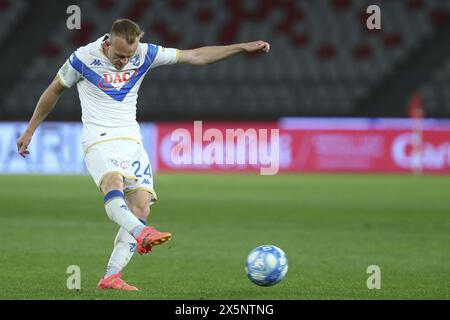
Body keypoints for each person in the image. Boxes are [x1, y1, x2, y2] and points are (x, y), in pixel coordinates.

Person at [16, 18, 270, 291]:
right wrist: (30, 130)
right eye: (119, 55)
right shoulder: (82, 58)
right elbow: (54, 89)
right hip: (99, 139)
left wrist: (242, 47)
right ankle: (141, 233)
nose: (124, 61)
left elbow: (195, 56)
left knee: (141, 205)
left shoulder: (145, 53)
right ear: (107, 42)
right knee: (112, 183)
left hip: (131, 141)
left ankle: (111, 276)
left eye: (129, 56)